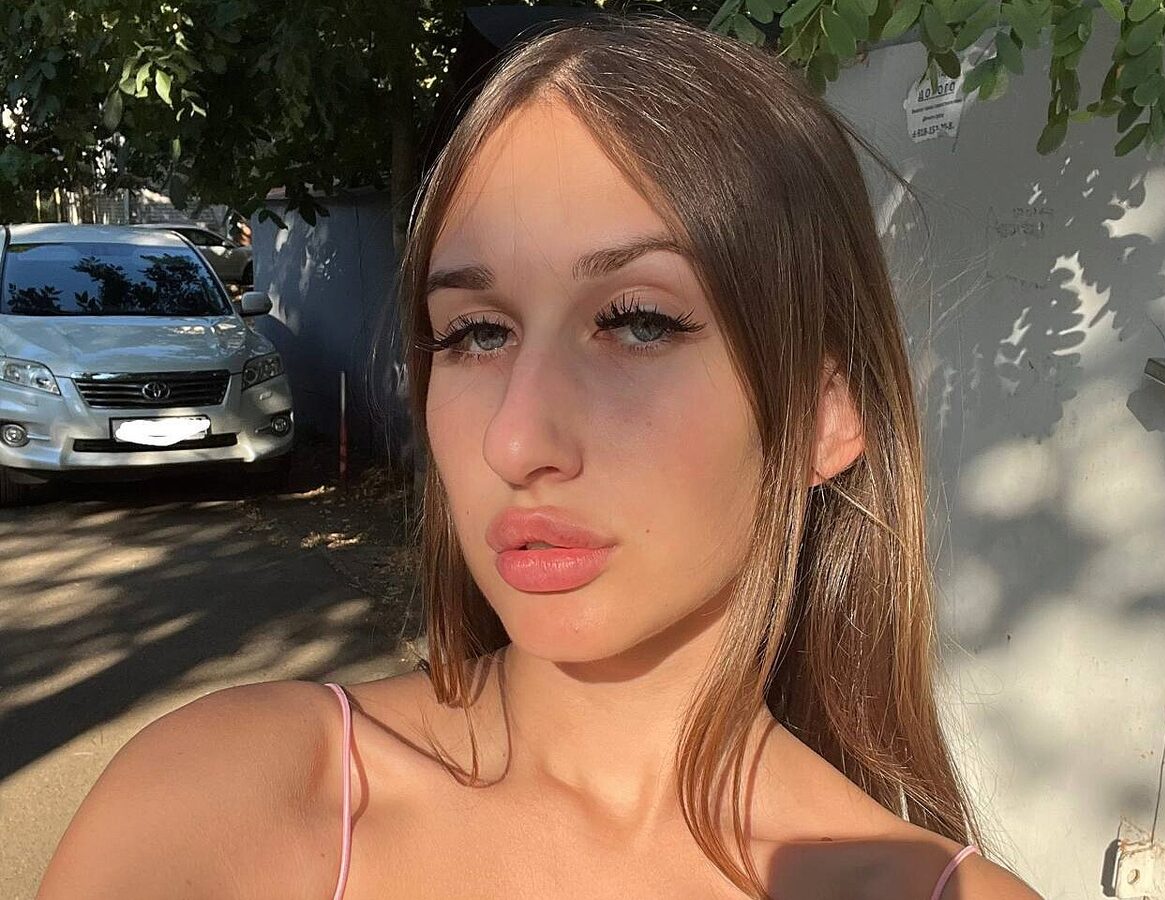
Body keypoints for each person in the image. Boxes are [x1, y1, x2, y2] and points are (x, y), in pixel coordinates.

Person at [36, 13, 1043, 900]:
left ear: (827, 412)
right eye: (476, 333)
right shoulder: (233, 801)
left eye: (638, 322)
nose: (515, 440)